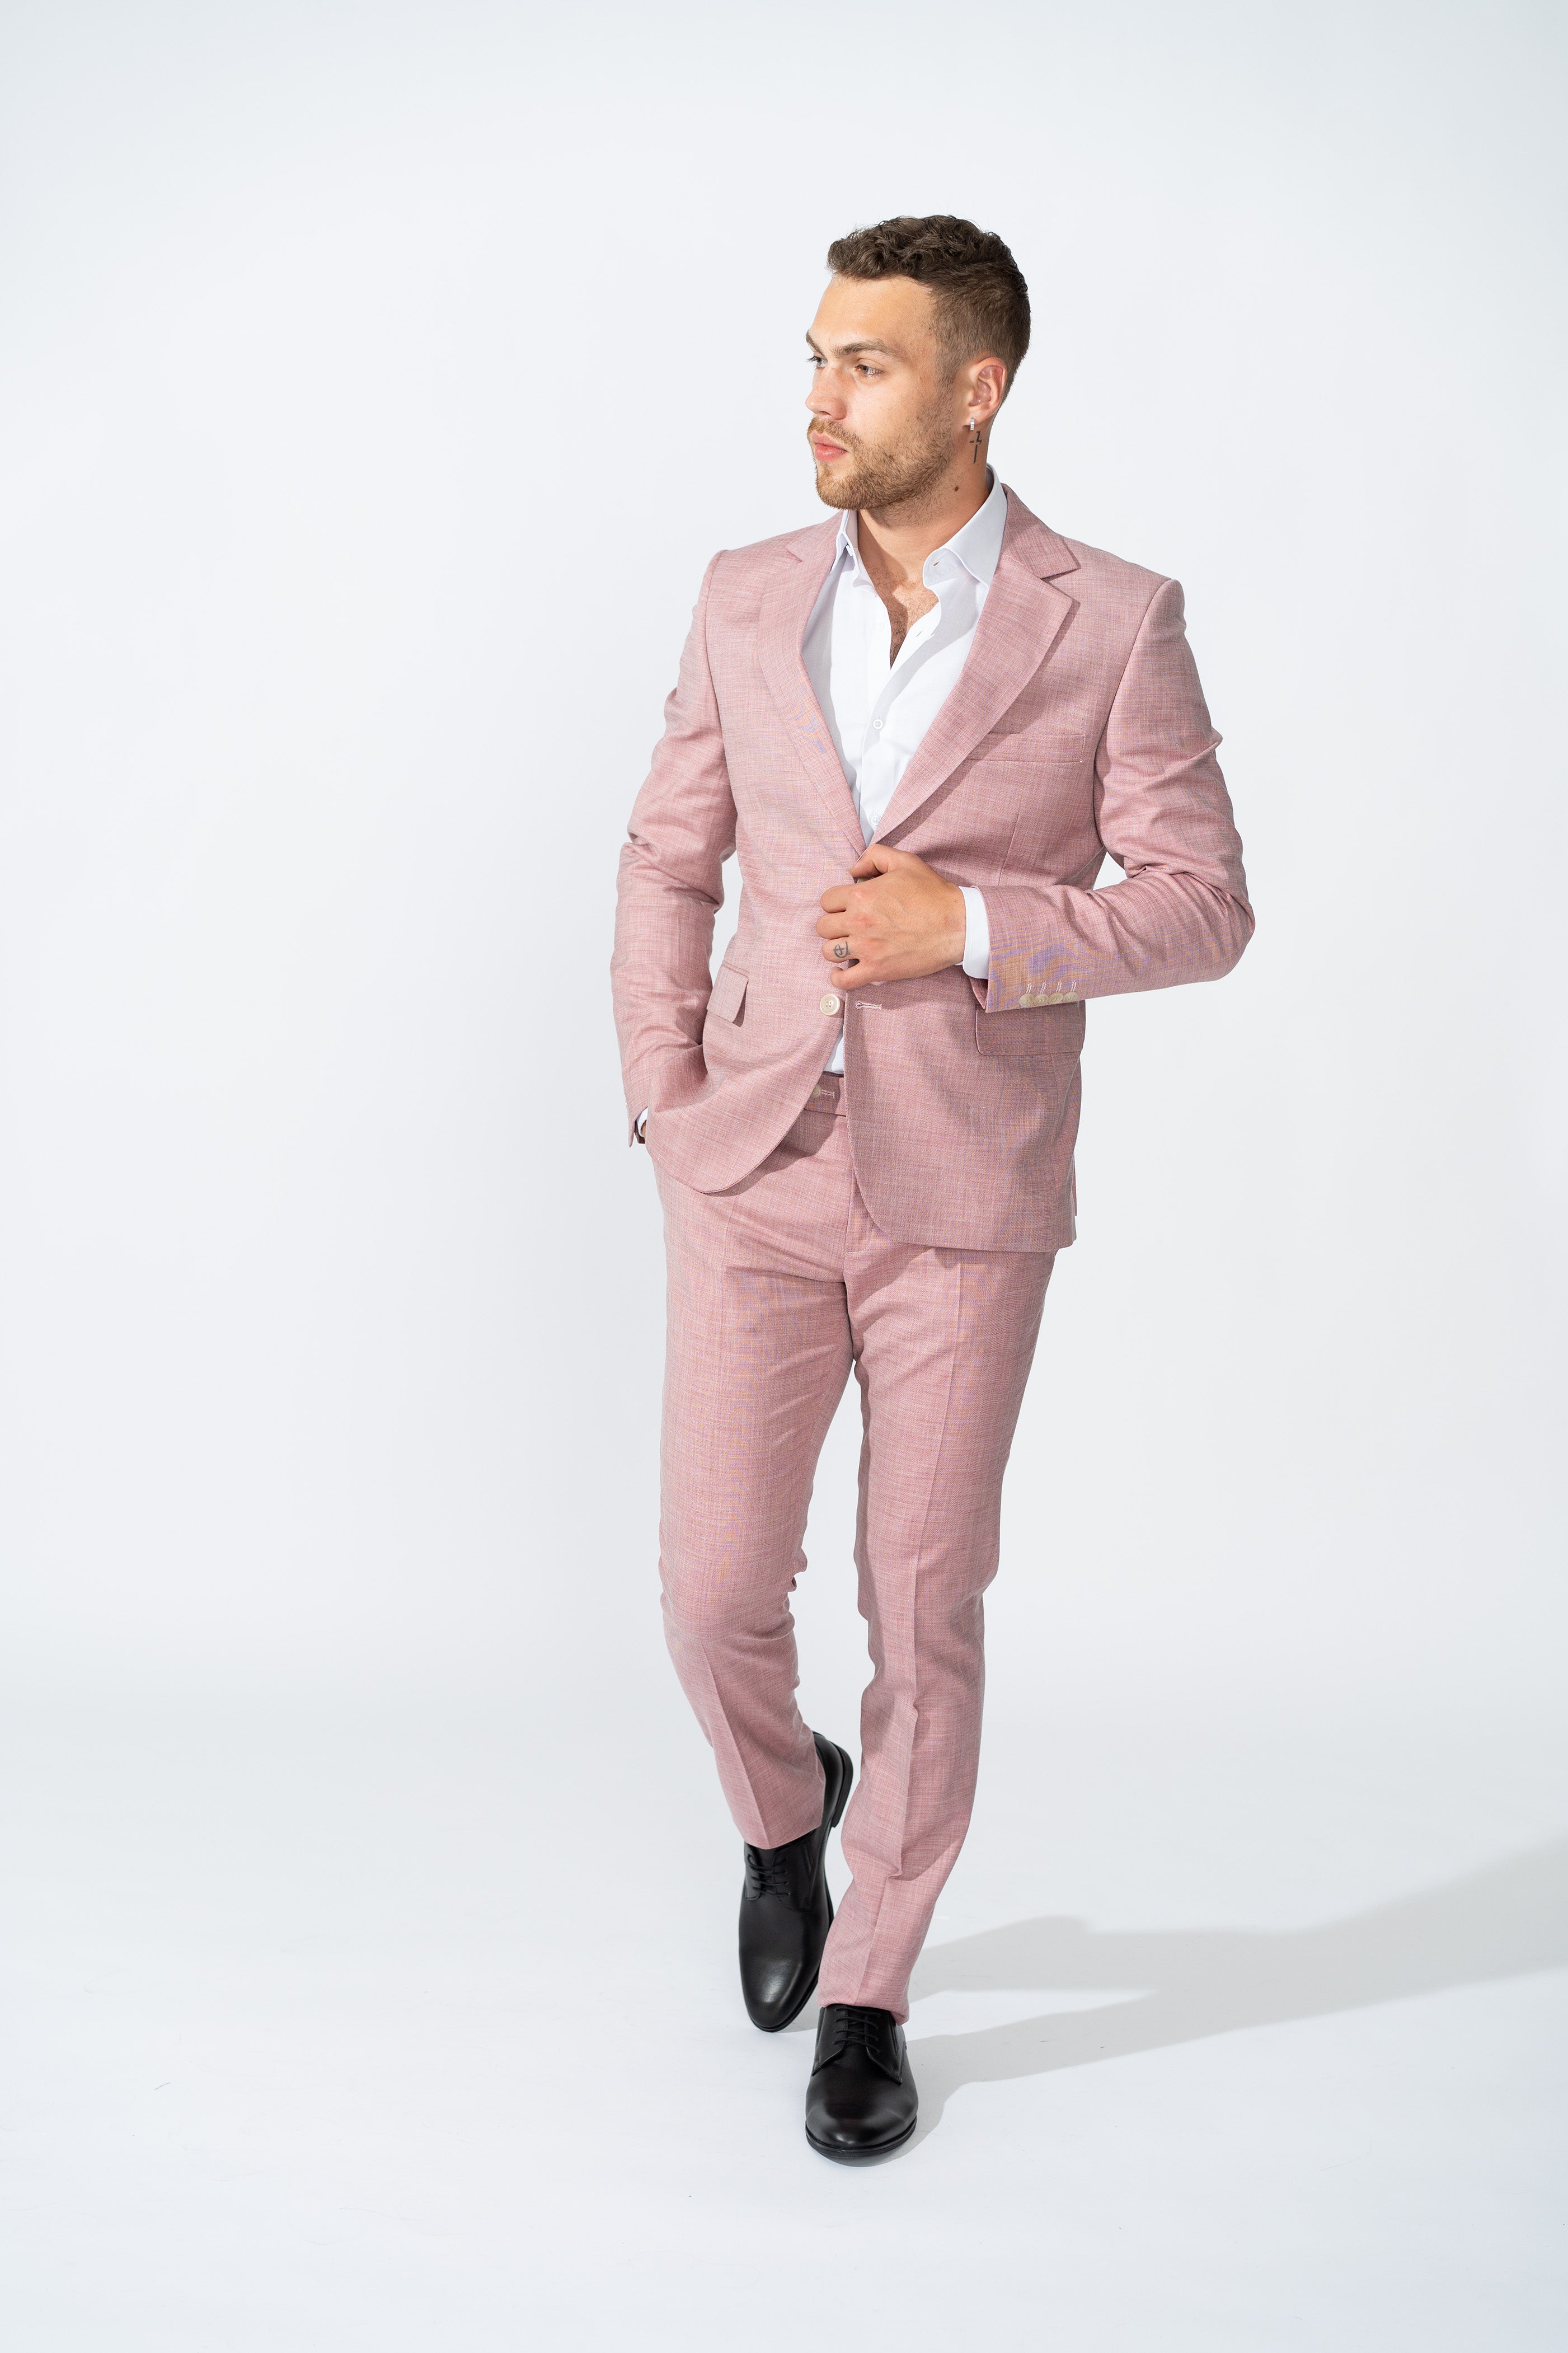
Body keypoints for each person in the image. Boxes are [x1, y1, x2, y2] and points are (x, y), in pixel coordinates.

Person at [610, 215, 1253, 2162]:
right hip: (750, 1159)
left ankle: (874, 1985)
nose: (819, 397)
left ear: (977, 388)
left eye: (864, 363)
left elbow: (1202, 904)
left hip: (965, 1187)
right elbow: (667, 857)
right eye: (814, 356)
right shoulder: (743, 593)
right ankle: (781, 1817)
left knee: (920, 1596)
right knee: (711, 1593)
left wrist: (967, 924)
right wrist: (662, 1093)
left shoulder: (1110, 617)